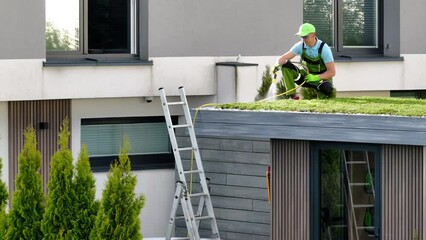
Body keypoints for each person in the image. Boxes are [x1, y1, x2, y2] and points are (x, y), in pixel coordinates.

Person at [274, 23, 336, 99]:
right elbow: (282, 59)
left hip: (320, 79)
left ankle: (321, 103)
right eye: (301, 37)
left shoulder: (324, 49)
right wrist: (277, 64)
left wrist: (316, 77)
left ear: (313, 35)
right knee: (285, 65)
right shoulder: (300, 46)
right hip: (305, 77)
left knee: (327, 88)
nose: (303, 39)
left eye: (305, 36)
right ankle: (292, 96)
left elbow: (332, 72)